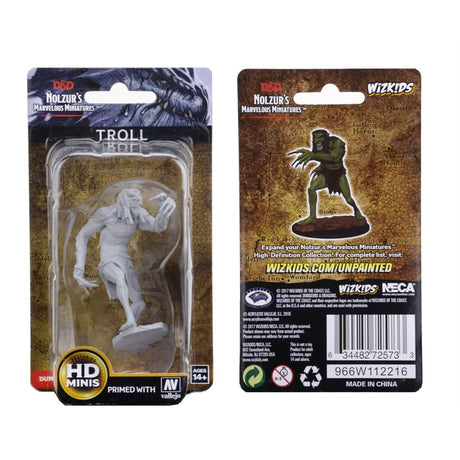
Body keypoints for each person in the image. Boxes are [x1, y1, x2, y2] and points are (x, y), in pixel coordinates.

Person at [73, 188, 176, 333]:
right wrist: (79, 268)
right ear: (125, 202)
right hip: (108, 260)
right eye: (134, 201)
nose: (138, 205)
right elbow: (83, 235)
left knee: (139, 304)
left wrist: (163, 209)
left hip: (124, 259)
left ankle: (128, 331)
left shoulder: (138, 214)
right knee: (119, 277)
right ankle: (130, 320)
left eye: (138, 201)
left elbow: (158, 226)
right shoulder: (107, 214)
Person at [289, 129, 364, 225]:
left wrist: (313, 156)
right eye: (315, 138)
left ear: (326, 137)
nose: (317, 140)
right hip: (326, 172)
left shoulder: (338, 143)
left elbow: (334, 158)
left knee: (348, 199)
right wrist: (320, 167)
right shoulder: (318, 145)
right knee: (311, 189)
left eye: (320, 138)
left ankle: (356, 210)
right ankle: (312, 217)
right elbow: (322, 157)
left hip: (338, 174)